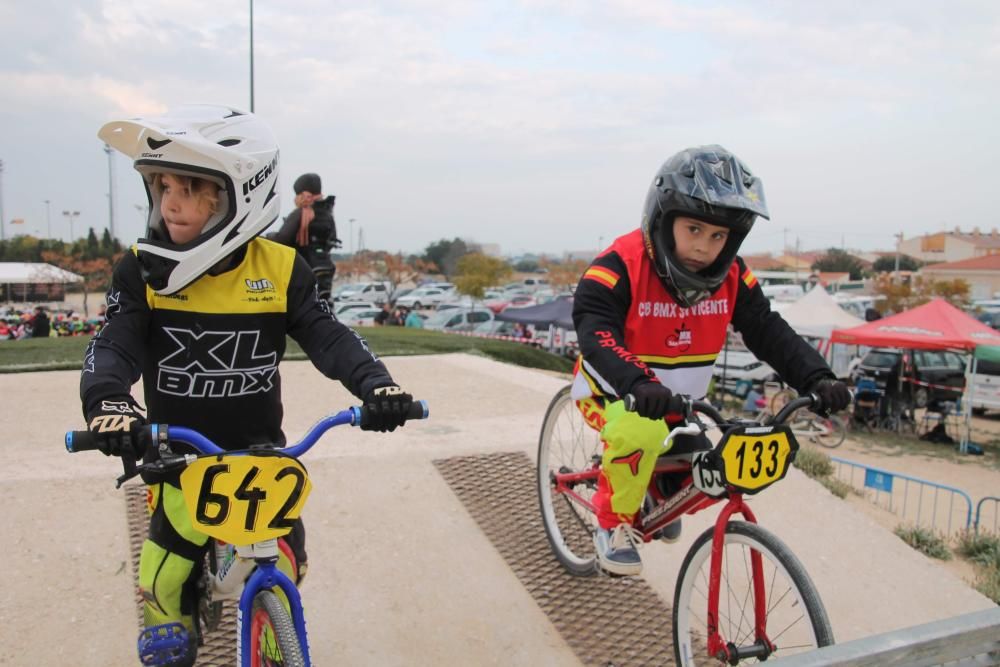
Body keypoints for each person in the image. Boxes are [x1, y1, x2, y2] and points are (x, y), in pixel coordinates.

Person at [81, 105, 415, 665]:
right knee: (163, 584)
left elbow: (330, 337)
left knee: (287, 565)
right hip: (178, 460)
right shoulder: (140, 270)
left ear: (241, 195)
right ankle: (178, 623)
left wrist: (376, 387)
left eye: (191, 187)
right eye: (163, 185)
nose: (171, 201)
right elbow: (113, 343)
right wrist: (110, 403)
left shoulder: (283, 270)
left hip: (259, 459)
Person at [572, 145, 850, 576]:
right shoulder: (618, 265)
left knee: (706, 464)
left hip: (680, 406)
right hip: (613, 393)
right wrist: (636, 383)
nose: (704, 247)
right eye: (694, 229)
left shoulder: (734, 276)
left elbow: (766, 329)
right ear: (664, 220)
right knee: (639, 434)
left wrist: (816, 377)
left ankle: (652, 490)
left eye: (718, 236)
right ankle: (612, 525)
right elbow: (595, 331)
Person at [268, 172, 341, 300]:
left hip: (304, 269)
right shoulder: (328, 213)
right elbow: (332, 238)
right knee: (323, 305)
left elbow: (282, 239)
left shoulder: (302, 214)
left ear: (304, 194)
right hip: (325, 267)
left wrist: (267, 237)